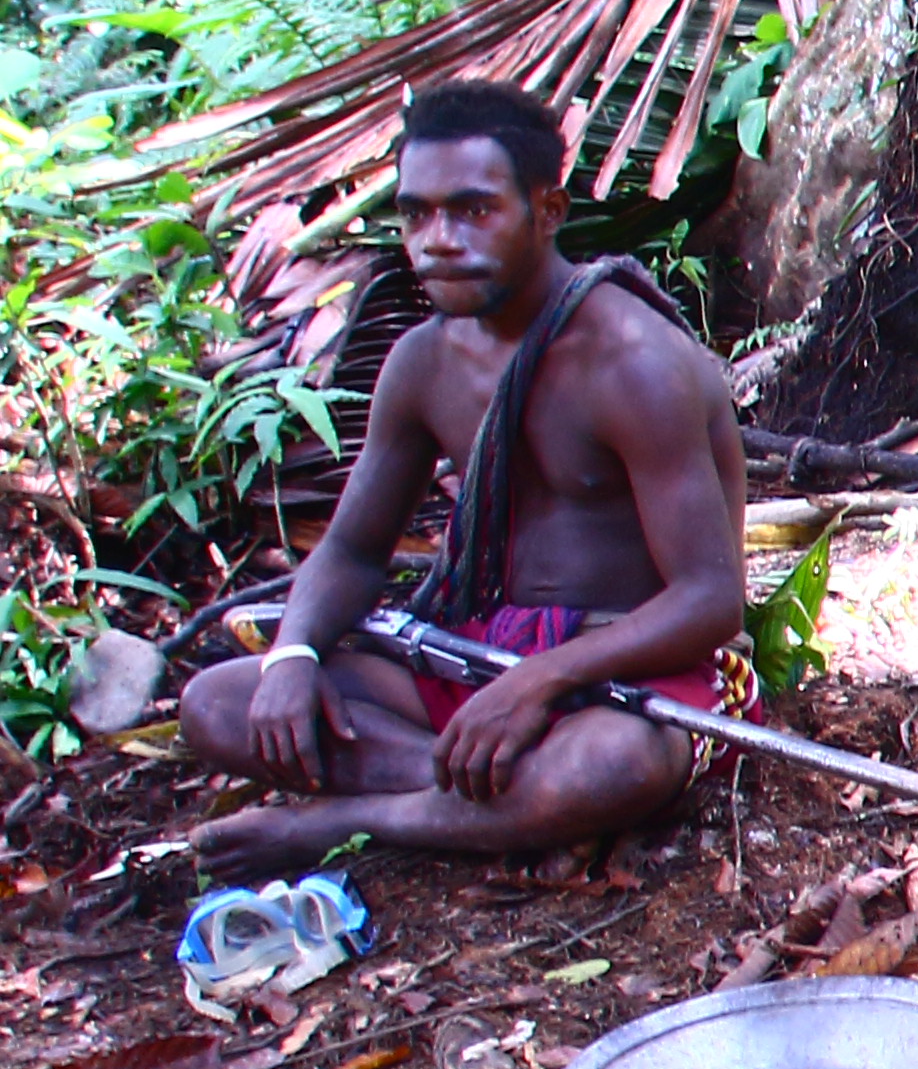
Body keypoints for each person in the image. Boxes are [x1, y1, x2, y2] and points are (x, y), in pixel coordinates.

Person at [183, 79, 751, 876]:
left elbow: (710, 601)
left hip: (632, 673)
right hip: (473, 656)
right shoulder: (425, 360)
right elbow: (350, 552)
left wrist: (542, 683)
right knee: (216, 703)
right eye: (417, 214)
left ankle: (355, 824)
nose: (438, 240)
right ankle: (490, 798)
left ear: (547, 210)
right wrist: (293, 656)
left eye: (473, 210)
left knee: (605, 768)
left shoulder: (636, 363)